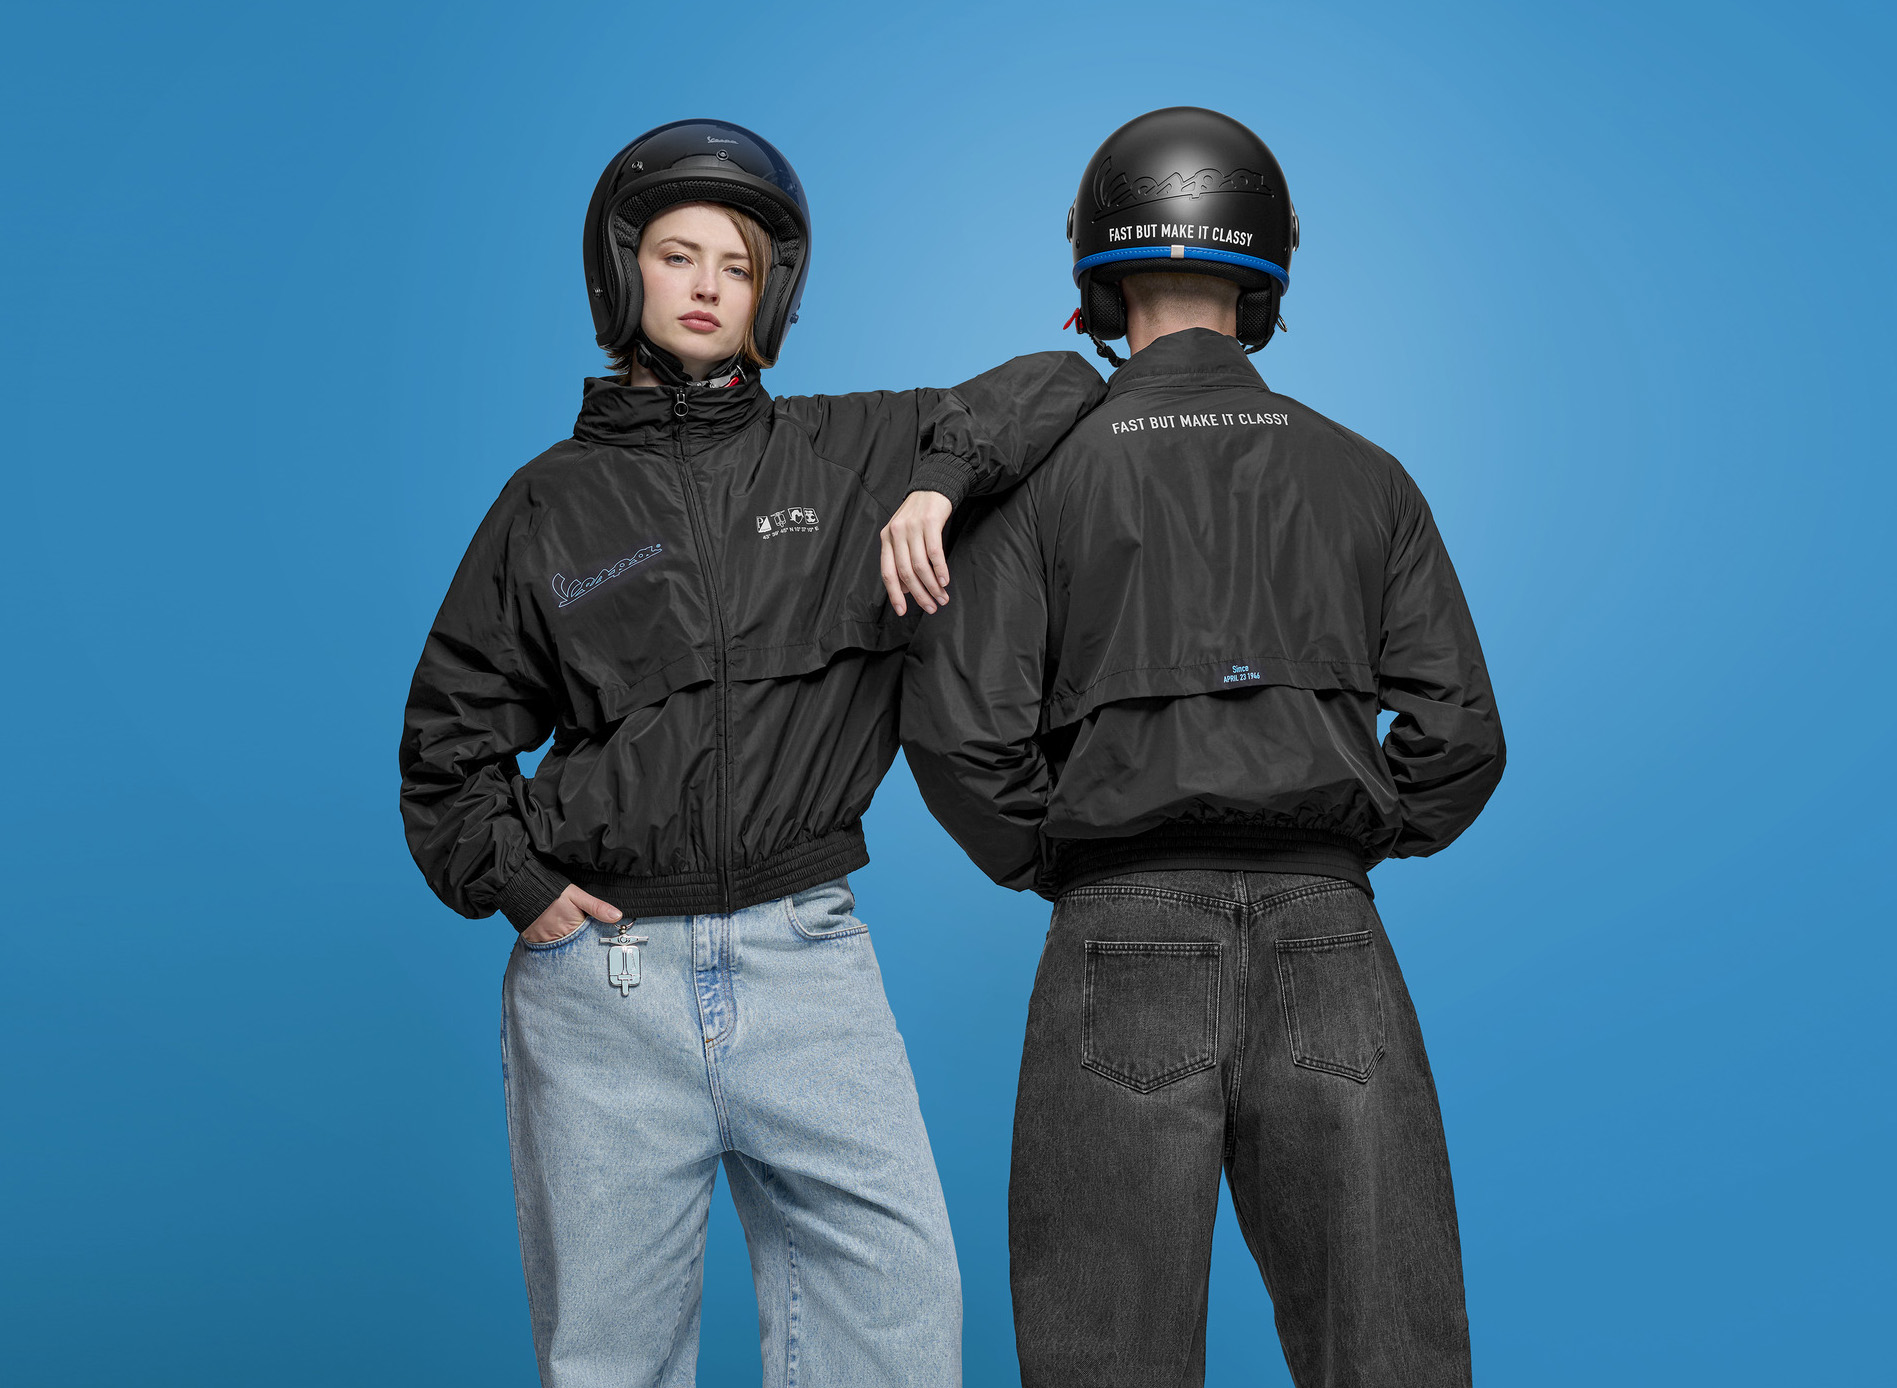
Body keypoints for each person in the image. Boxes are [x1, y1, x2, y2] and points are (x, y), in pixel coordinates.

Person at [398, 118, 1104, 1388]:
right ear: (622, 273)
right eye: (678, 255)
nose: (708, 285)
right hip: (606, 980)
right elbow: (448, 739)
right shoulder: (548, 502)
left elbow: (1061, 383)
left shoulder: (852, 451)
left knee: (897, 1323)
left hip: (805, 957)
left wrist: (938, 484)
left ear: (772, 295)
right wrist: (519, 884)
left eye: (738, 264)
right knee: (613, 1360)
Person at [900, 107, 1506, 1388]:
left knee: (1106, 1362)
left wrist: (1066, 857)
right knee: (1388, 1359)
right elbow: (1457, 735)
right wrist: (1345, 835)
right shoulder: (1368, 475)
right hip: (1331, 935)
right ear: (1266, 275)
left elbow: (958, 732)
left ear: (1097, 279)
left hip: (1116, 930)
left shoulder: (1039, 487)